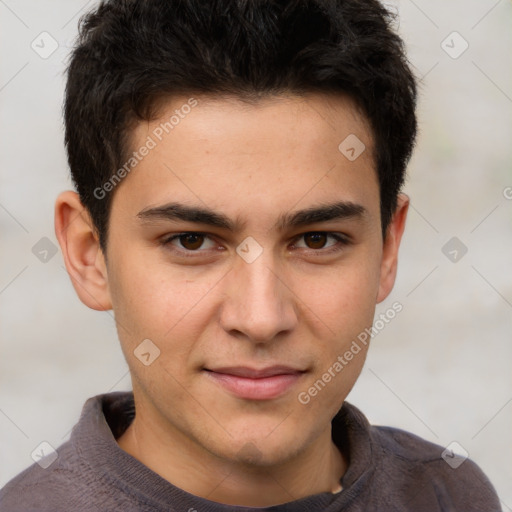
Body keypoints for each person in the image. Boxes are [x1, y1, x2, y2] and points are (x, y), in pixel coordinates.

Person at [0, 0, 501, 510]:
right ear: (89, 255)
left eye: (317, 240)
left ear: (387, 249)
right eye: (191, 241)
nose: (261, 319)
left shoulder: (451, 494)